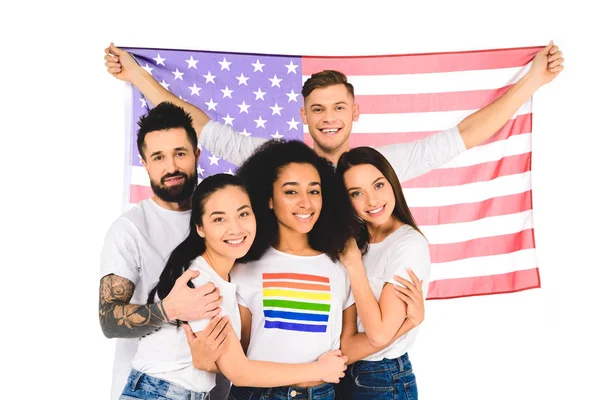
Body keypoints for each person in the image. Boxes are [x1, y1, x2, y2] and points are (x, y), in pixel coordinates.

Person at [104, 41, 564, 183]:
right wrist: (137, 78)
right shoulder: (274, 156)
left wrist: (532, 83)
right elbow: (199, 125)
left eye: (339, 107)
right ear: (303, 115)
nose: (329, 117)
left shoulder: (377, 169)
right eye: (318, 109)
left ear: (356, 113)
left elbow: (465, 134)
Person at [219, 139, 422, 400]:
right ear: (268, 199)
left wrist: (408, 323)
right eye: (291, 192)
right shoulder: (243, 266)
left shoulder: (343, 265)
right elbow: (239, 359)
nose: (306, 202)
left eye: (314, 191)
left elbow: (346, 347)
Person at [120, 173, 348, 399]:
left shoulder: (225, 276)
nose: (236, 228)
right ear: (200, 228)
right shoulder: (201, 282)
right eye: (219, 219)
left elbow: (231, 359)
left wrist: (209, 363)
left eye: (243, 214)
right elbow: (239, 372)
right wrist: (320, 370)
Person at [99, 102, 231, 400]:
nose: (171, 167)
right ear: (145, 163)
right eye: (158, 157)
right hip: (148, 389)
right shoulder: (130, 229)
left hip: (217, 389)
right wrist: (170, 309)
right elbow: (108, 319)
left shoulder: (225, 219)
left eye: (180, 153)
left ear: (197, 155)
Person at [335, 146, 434, 399]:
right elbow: (346, 341)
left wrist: (354, 265)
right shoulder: (354, 241)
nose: (372, 200)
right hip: (339, 376)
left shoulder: (408, 245)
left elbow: (377, 335)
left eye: (378, 185)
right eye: (357, 193)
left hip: (381, 379)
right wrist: (408, 322)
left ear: (392, 183)